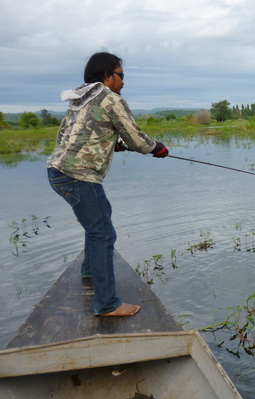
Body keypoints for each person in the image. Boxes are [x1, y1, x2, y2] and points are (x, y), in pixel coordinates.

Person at [47, 52, 169, 317]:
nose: (123, 82)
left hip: (57, 171)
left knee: (99, 223)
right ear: (106, 76)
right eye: (121, 76)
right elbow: (137, 140)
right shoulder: (111, 99)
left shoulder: (81, 98)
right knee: (103, 233)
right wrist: (157, 148)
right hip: (79, 174)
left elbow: (72, 133)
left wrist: (111, 143)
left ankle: (90, 271)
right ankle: (107, 304)